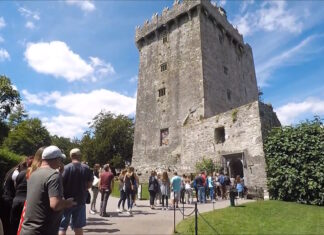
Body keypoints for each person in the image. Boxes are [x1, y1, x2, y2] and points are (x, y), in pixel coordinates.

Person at [20, 145, 76, 235]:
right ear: (57, 159)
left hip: (27, 229)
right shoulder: (53, 175)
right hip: (43, 230)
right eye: (61, 160)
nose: (61, 163)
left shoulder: (33, 173)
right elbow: (56, 205)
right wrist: (67, 203)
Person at [59, 148, 93, 235]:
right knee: (78, 227)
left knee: (62, 227)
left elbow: (60, 184)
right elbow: (89, 185)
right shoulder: (86, 168)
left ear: (70, 156)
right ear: (80, 156)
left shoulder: (65, 168)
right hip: (80, 200)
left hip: (66, 200)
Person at [10, 156, 33, 235]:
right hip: (26, 202)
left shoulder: (20, 173)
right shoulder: (33, 174)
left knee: (13, 225)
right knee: (23, 227)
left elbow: (15, 186)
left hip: (16, 201)